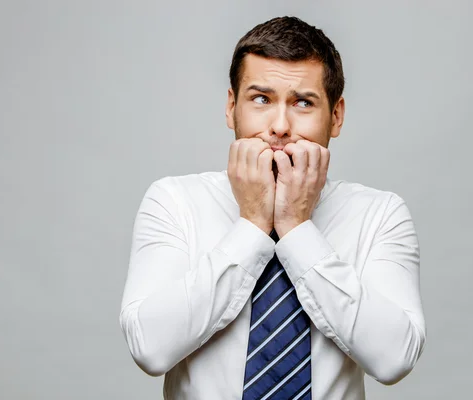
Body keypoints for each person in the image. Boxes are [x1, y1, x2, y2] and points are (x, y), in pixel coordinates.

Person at [119, 16, 426, 400]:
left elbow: (394, 358)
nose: (280, 126)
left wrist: (297, 229)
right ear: (232, 107)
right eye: (261, 99)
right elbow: (150, 348)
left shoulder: (380, 215)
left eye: (303, 102)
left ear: (336, 116)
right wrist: (251, 226)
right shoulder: (174, 202)